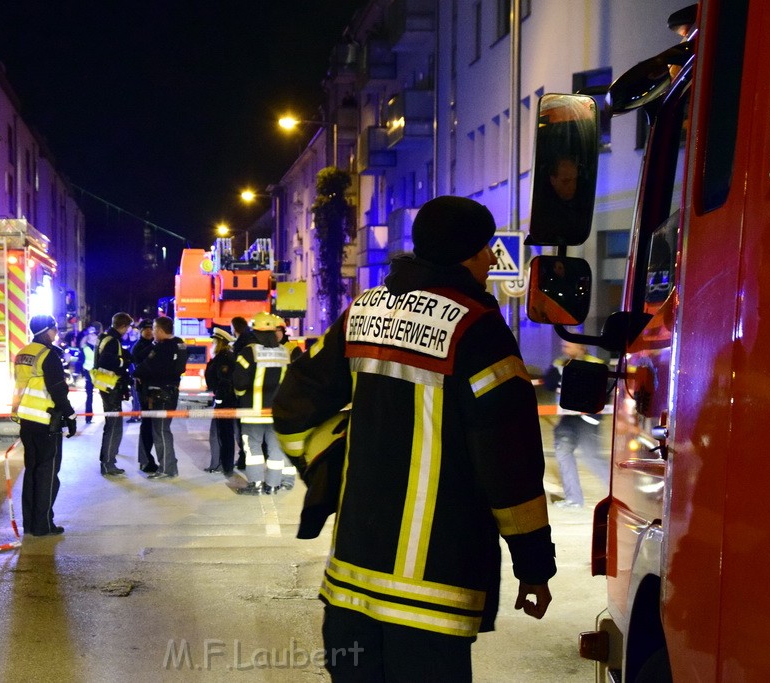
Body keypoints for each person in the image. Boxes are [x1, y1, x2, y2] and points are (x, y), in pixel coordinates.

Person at [273, 196, 556, 680]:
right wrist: (533, 565)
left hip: (351, 586)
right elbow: (509, 461)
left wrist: (329, 465)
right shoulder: (477, 328)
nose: (492, 258)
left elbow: (294, 404)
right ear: (465, 252)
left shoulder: (363, 312)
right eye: (486, 248)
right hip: (432, 596)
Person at [12, 315, 76, 537]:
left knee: (32, 471)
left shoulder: (23, 354)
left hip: (26, 420)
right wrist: (70, 415)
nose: (56, 333)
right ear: (47, 331)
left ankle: (29, 524)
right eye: (55, 329)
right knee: (47, 474)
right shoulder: (48, 355)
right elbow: (58, 389)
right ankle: (43, 525)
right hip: (46, 420)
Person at [234, 312, 292, 495]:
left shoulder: (249, 352)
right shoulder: (285, 353)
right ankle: (273, 485)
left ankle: (256, 484)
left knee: (252, 448)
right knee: (275, 449)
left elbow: (239, 383)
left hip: (253, 412)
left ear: (255, 332)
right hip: (278, 412)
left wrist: (242, 396)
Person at [544, 340, 608, 509]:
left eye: (569, 345)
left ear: (581, 346)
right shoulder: (560, 363)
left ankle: (618, 494)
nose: (565, 349)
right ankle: (574, 499)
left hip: (588, 419)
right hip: (568, 418)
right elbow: (548, 383)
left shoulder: (595, 364)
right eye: (564, 346)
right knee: (563, 452)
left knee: (591, 457)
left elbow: (605, 392)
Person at [133, 316, 188, 479]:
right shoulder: (180, 343)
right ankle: (169, 466)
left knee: (161, 431)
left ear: (160, 330)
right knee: (162, 430)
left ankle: (167, 468)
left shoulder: (162, 348)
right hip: (171, 392)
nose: (153, 332)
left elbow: (142, 368)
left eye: (155, 329)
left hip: (160, 395)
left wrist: (137, 373)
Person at [95, 312, 133, 476]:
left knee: (114, 424)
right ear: (123, 326)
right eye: (128, 327)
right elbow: (106, 361)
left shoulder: (105, 337)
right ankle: (107, 463)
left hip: (106, 386)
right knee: (113, 426)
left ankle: (109, 461)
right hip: (111, 388)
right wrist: (124, 361)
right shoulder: (112, 341)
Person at [204, 327, 237, 475]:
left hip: (224, 401)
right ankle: (223, 464)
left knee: (222, 433)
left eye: (215, 341)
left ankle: (221, 465)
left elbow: (224, 381)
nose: (213, 344)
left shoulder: (224, 358)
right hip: (225, 399)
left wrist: (219, 399)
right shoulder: (224, 356)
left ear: (220, 342)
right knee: (224, 433)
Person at [130, 319, 158, 473]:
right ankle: (145, 460)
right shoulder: (139, 347)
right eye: (145, 329)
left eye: (150, 328)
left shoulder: (154, 345)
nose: (148, 331)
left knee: (151, 426)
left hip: (152, 390)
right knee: (147, 425)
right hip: (144, 391)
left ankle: (147, 459)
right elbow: (138, 365)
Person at [230, 315, 257, 470]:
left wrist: (238, 392)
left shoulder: (242, 344)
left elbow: (238, 372)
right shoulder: (254, 341)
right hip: (262, 397)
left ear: (234, 327)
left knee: (244, 432)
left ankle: (244, 460)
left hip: (245, 397)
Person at [79, 327, 97, 424]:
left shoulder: (99, 347)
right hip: (89, 373)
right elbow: (81, 361)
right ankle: (88, 417)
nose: (94, 337)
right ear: (89, 337)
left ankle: (109, 417)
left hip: (98, 373)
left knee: (105, 396)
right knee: (89, 396)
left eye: (95, 335)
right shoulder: (85, 347)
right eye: (92, 335)